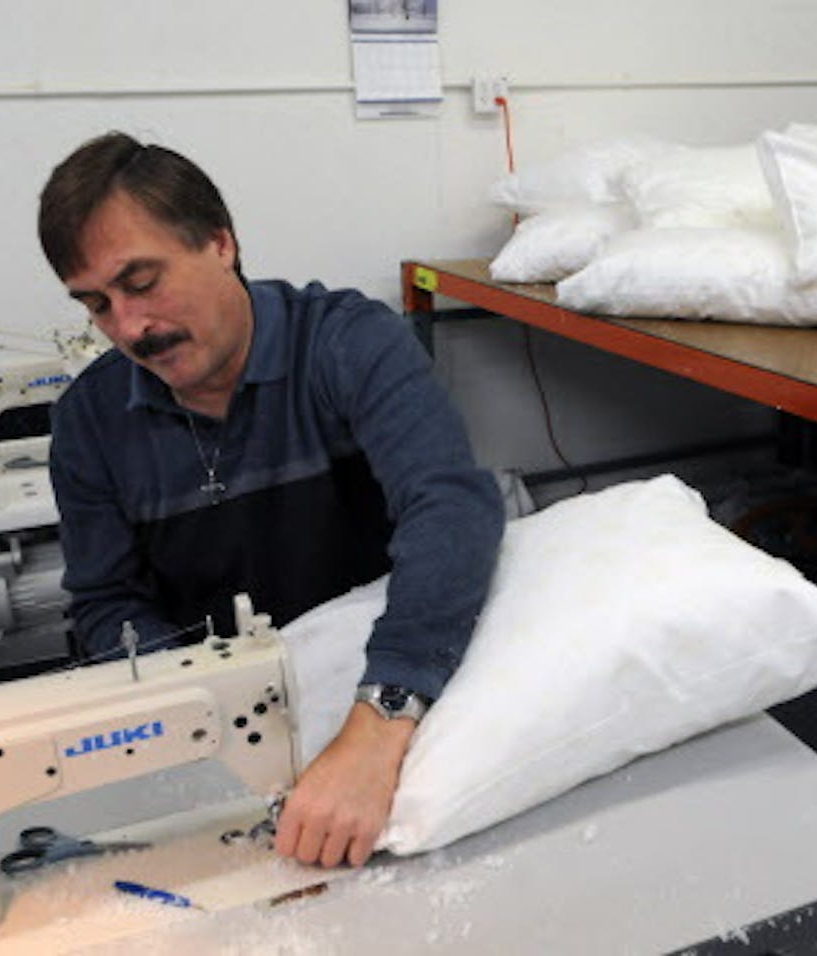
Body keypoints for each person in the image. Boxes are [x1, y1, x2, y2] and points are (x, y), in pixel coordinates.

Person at [38, 131, 505, 868]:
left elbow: (450, 508)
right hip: (221, 744)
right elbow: (105, 604)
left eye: (141, 282)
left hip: (386, 700)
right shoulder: (88, 424)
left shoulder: (349, 345)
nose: (128, 329)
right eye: (95, 304)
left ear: (220, 243)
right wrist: (205, 722)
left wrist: (379, 720)